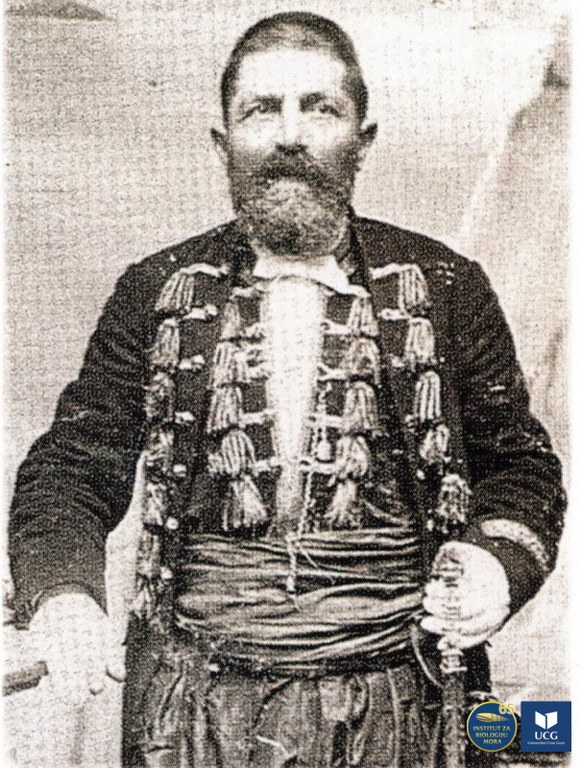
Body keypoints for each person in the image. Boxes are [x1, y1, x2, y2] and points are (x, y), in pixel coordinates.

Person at [8, 11, 566, 768]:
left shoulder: (447, 286)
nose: (291, 136)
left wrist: (498, 565)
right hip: (197, 711)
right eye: (262, 110)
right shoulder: (156, 289)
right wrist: (64, 594)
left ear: (361, 140)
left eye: (320, 108)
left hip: (401, 699)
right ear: (224, 142)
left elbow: (519, 467)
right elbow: (71, 468)